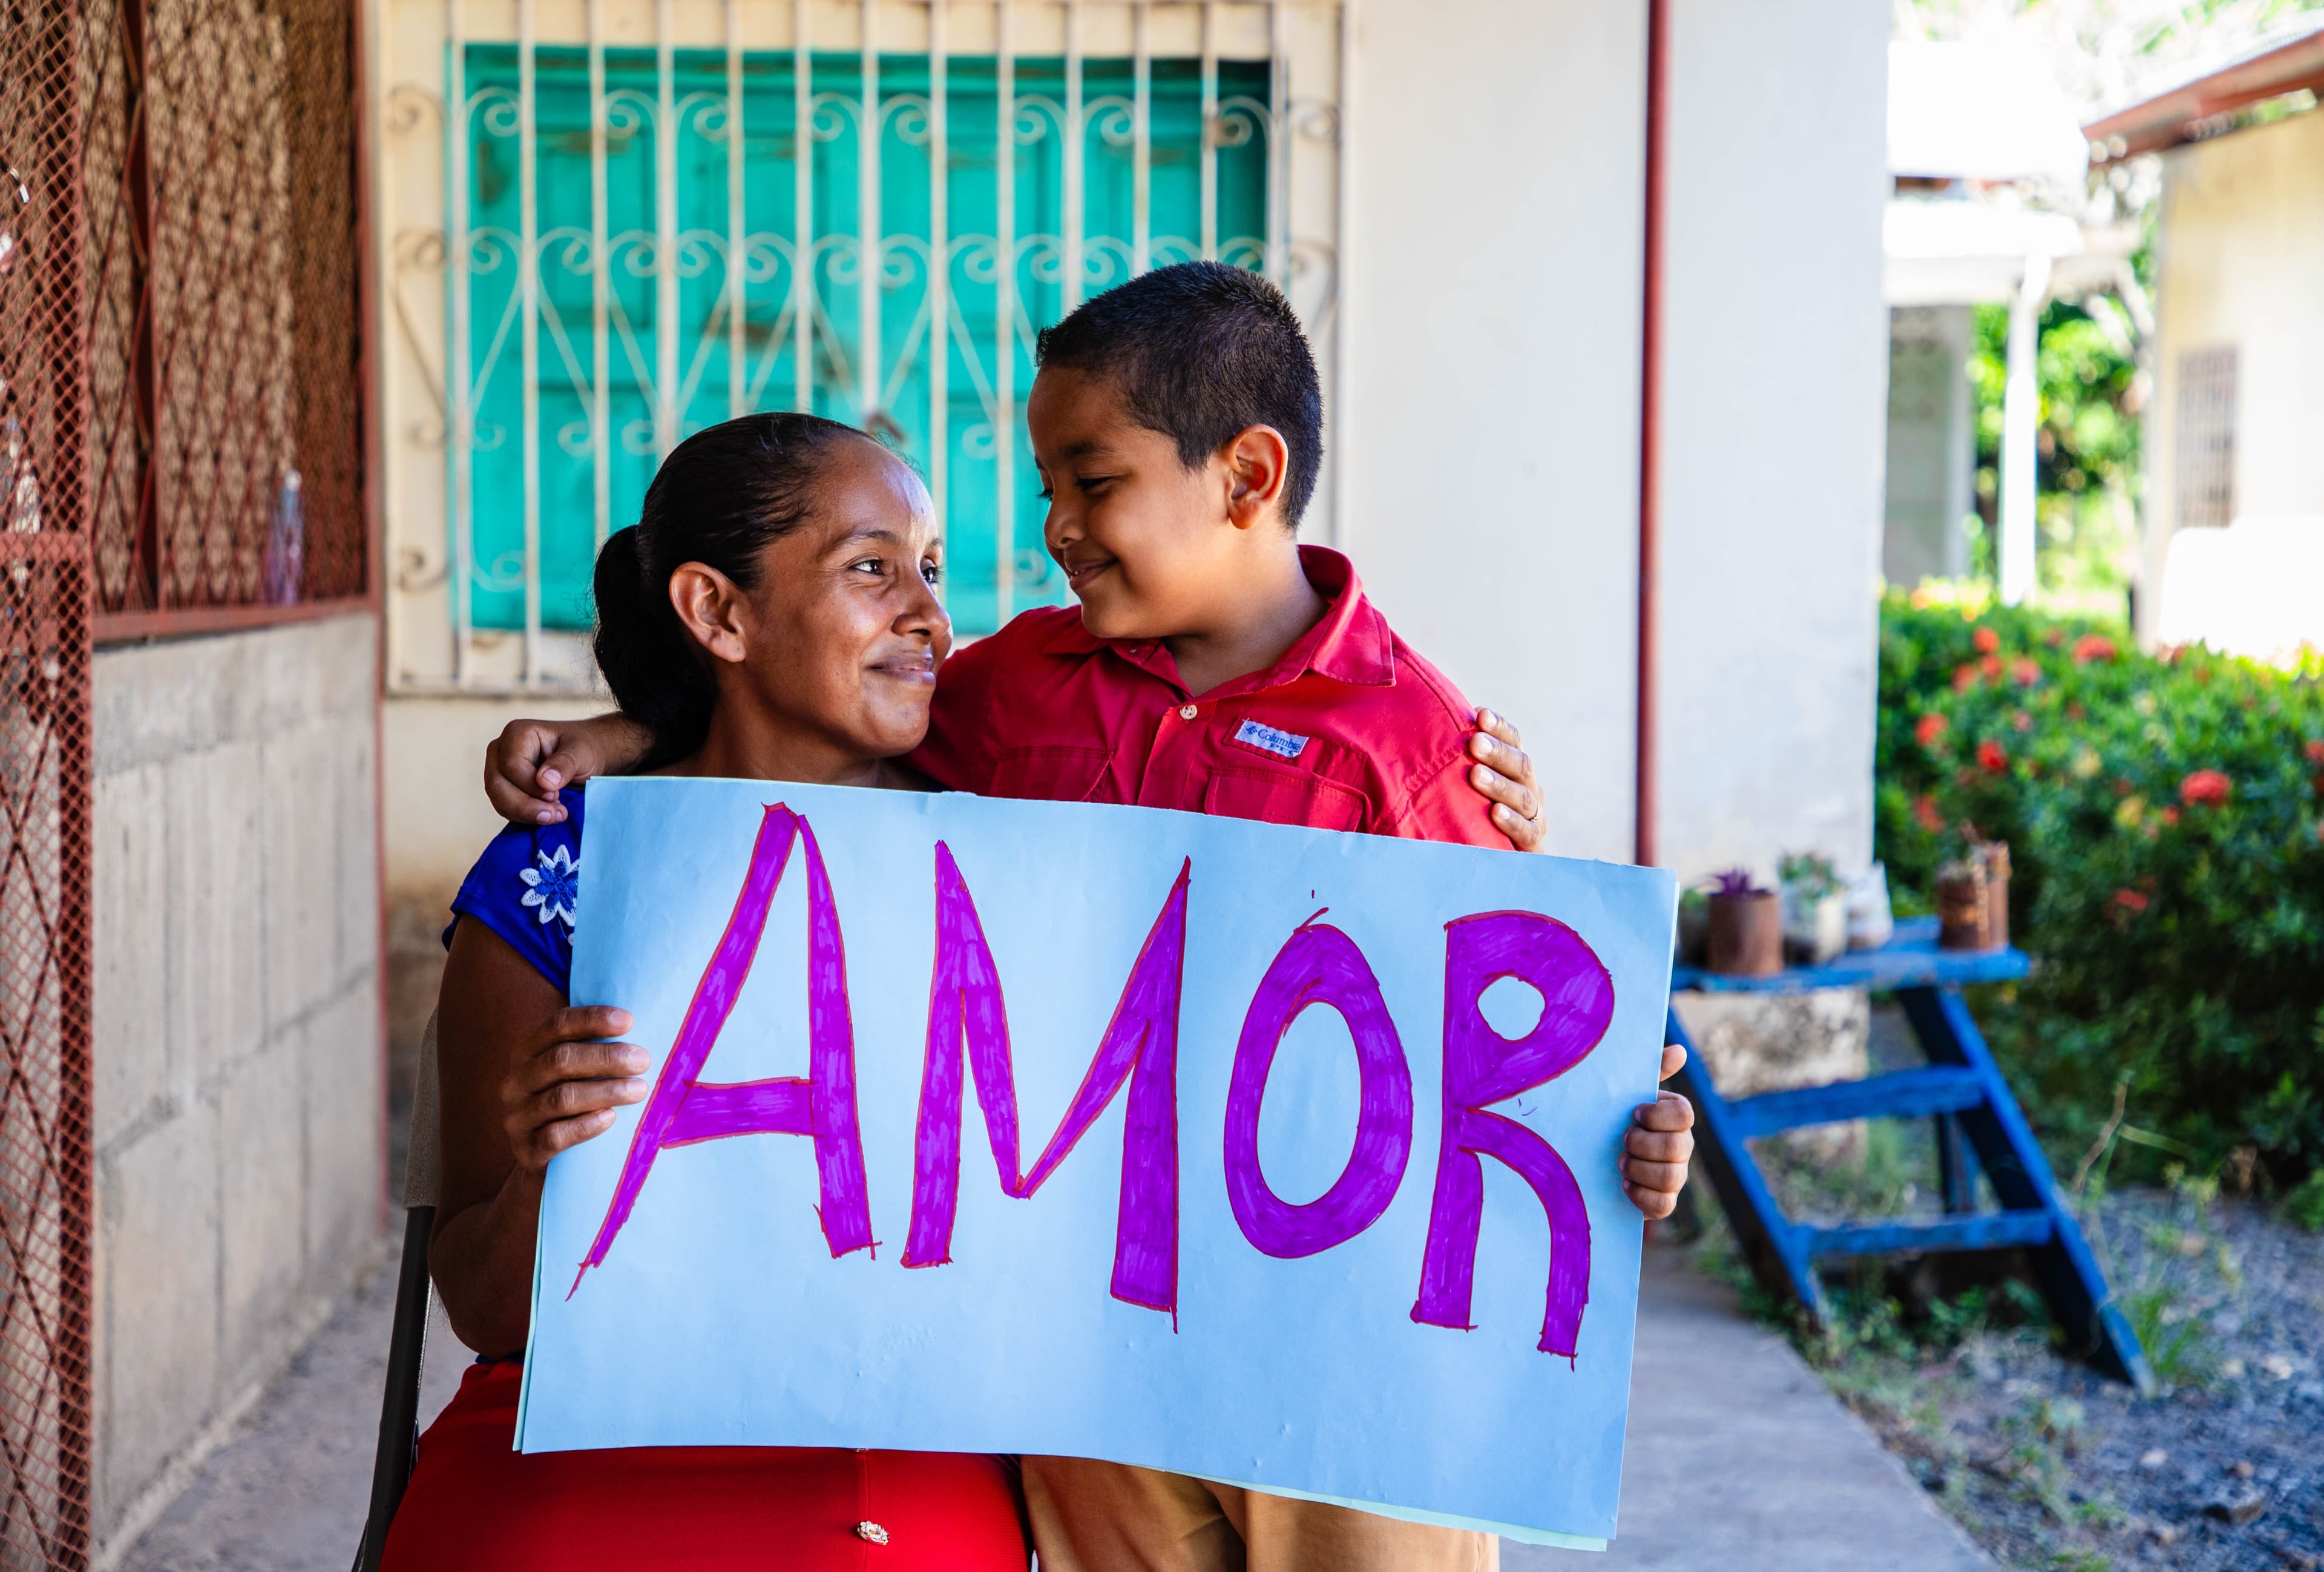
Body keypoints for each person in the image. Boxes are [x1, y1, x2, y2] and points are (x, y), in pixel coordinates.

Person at [480, 261, 1697, 1572]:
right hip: (1095, 1373)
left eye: (1093, 481)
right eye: (1049, 486)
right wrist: (633, 735)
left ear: (1247, 476)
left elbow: (1504, 1069)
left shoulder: (1418, 748)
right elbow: (817, 723)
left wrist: (1620, 1142)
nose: (1055, 524)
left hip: (1353, 1384)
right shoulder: (1018, 690)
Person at [384, 414, 1032, 1572]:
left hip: (886, 1426)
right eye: (872, 568)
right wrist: (555, 1171)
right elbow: (487, 1311)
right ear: (717, 612)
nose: (933, 615)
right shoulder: (564, 871)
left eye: (931, 570)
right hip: (578, 1416)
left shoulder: (1003, 845)